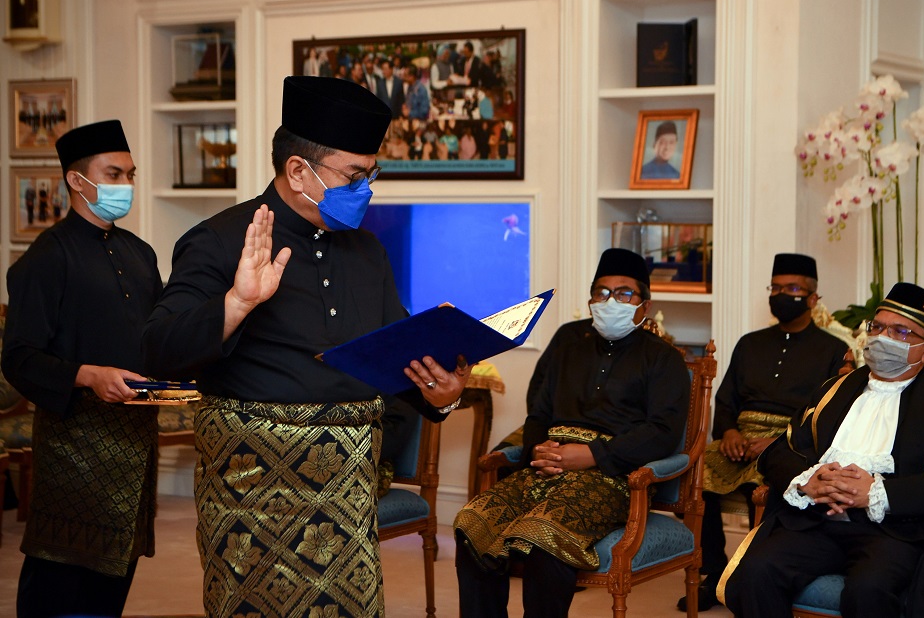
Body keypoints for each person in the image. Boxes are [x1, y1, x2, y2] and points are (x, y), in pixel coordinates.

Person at [141, 76, 469, 617]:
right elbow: (157, 348)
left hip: (347, 492)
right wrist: (236, 305)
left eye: (372, 174)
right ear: (299, 171)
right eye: (355, 175)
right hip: (252, 495)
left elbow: (397, 353)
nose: (367, 188)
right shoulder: (221, 239)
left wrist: (443, 396)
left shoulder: (367, 251)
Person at [720, 282, 924, 618]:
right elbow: (784, 448)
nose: (882, 337)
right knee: (757, 572)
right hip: (817, 522)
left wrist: (878, 492)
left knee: (869, 589)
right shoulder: (832, 389)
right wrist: (810, 480)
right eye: (877, 326)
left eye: (901, 331)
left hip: (896, 532)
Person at [453, 248, 691, 618]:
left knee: (544, 533)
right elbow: (540, 410)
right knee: (472, 522)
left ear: (644, 304)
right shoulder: (567, 340)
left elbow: (662, 431)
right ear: (592, 298)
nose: (611, 301)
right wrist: (540, 450)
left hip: (614, 475)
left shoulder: (664, 358)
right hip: (547, 465)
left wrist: (594, 455)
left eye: (625, 293)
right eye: (602, 292)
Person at [2, 119, 162, 618]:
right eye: (113, 173)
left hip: (137, 441)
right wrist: (88, 375)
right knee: (60, 577)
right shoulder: (47, 256)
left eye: (131, 175)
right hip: (76, 446)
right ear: (77, 180)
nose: (125, 186)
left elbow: (156, 336)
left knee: (114, 574)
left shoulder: (140, 253)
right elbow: (19, 356)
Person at [679, 253, 851, 611]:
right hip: (738, 440)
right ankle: (714, 570)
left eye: (792, 288)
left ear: (813, 298)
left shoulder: (834, 351)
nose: (781, 295)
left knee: (763, 488)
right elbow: (726, 400)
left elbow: (830, 415)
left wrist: (779, 441)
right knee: (694, 473)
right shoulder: (750, 343)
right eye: (775, 287)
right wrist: (727, 432)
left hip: (791, 442)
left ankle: (753, 574)